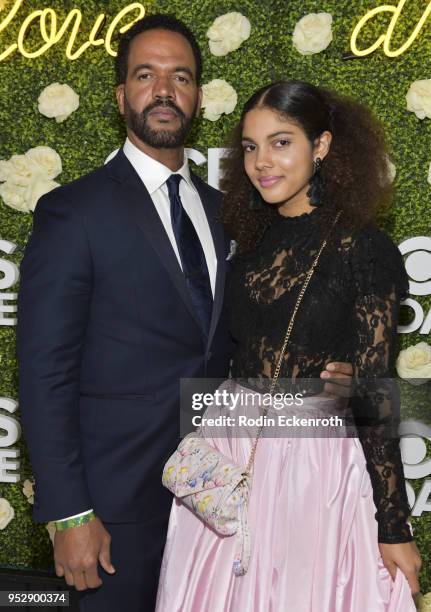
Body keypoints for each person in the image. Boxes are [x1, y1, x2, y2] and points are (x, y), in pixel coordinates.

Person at [16, 16, 353, 612]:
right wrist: (69, 512)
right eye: (146, 75)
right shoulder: (72, 213)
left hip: (221, 505)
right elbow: (45, 373)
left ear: (197, 95)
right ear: (122, 95)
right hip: (114, 511)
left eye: (182, 76)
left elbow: (258, 340)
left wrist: (332, 377)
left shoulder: (235, 215)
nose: (164, 89)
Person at [155, 81, 422, 611]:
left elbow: (373, 392)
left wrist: (393, 525)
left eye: (281, 143)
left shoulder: (364, 249)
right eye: (251, 147)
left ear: (321, 146)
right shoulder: (248, 245)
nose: (261, 162)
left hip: (311, 468)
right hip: (228, 456)